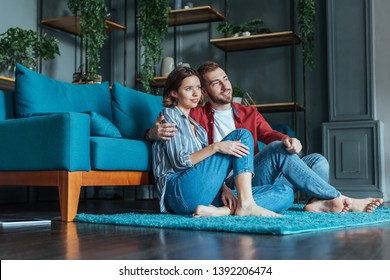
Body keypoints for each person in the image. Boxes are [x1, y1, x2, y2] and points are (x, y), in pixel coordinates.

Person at [147, 61, 383, 213]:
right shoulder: (194, 115)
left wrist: (289, 140)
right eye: (214, 83)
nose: (224, 86)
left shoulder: (247, 112)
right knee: (247, 139)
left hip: (249, 174)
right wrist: (151, 132)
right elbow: (168, 139)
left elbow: (269, 134)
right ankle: (338, 197)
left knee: (316, 162)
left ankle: (316, 203)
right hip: (217, 180)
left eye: (225, 79)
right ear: (206, 92)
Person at [152, 66, 291, 217]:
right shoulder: (169, 116)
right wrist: (216, 147)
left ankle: (224, 210)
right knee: (242, 135)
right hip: (178, 193)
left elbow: (204, 168)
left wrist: (224, 189)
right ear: (174, 93)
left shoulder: (198, 127)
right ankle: (245, 205)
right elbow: (180, 162)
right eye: (188, 89)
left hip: (201, 193)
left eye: (198, 88)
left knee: (285, 192)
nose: (195, 93)